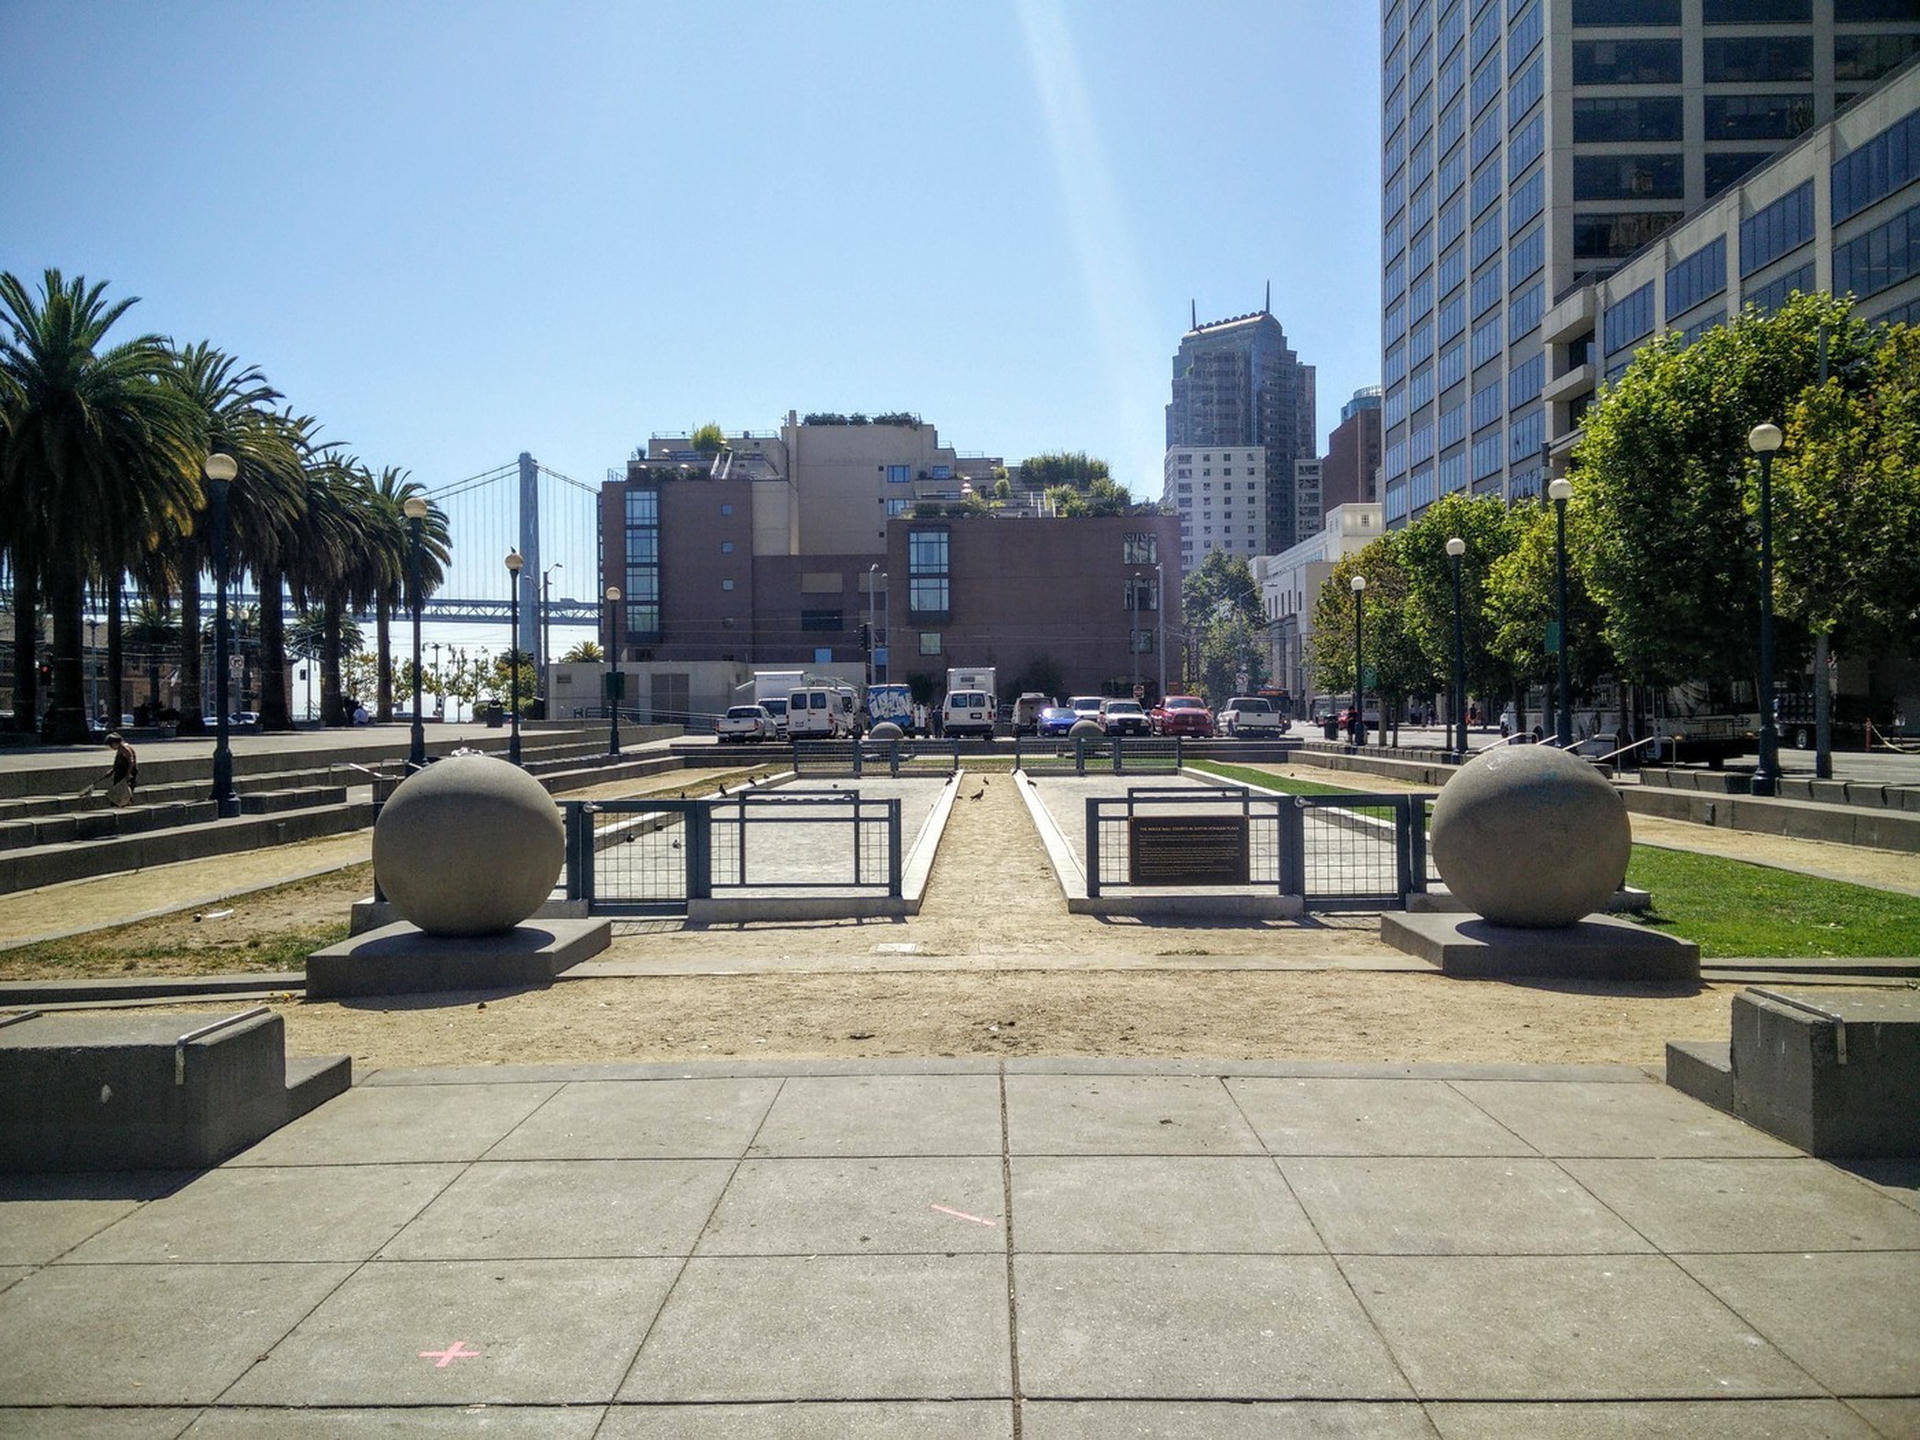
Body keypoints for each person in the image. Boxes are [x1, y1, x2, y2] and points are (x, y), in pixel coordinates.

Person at [84, 732, 138, 807]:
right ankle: (120, 804)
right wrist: (112, 771)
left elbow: (131, 762)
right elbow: (118, 763)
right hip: (120, 772)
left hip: (126, 773)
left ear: (115, 743)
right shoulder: (120, 749)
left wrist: (128, 775)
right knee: (118, 789)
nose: (111, 747)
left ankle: (125, 804)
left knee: (125, 791)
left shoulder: (125, 749)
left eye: (111, 744)